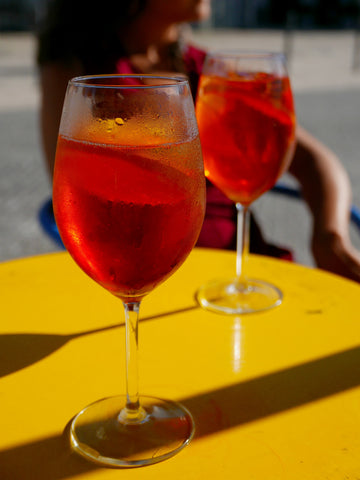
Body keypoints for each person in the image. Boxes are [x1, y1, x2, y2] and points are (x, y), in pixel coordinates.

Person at [36, 0, 360, 282]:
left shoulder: (209, 71)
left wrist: (329, 238)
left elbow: (311, 159)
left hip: (237, 263)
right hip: (142, 267)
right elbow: (75, 190)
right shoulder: (83, 75)